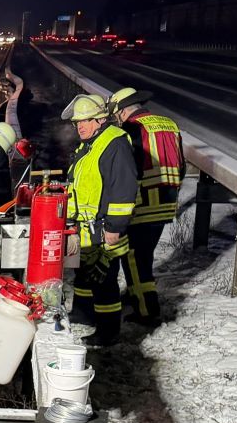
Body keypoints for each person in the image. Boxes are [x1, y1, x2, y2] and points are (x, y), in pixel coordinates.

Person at [62, 94, 137, 345]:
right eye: (77, 122)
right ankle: (83, 316)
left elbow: (123, 189)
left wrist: (114, 228)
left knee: (105, 282)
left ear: (101, 119)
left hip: (105, 231)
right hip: (87, 231)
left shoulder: (114, 144)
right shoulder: (89, 144)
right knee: (85, 277)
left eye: (86, 120)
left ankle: (107, 332)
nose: (80, 126)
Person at [110, 87, 184, 324]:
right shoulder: (169, 124)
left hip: (143, 202)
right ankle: (143, 299)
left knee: (133, 257)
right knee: (144, 256)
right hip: (167, 201)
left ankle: (145, 311)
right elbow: (181, 165)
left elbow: (128, 169)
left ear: (122, 112)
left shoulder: (132, 129)